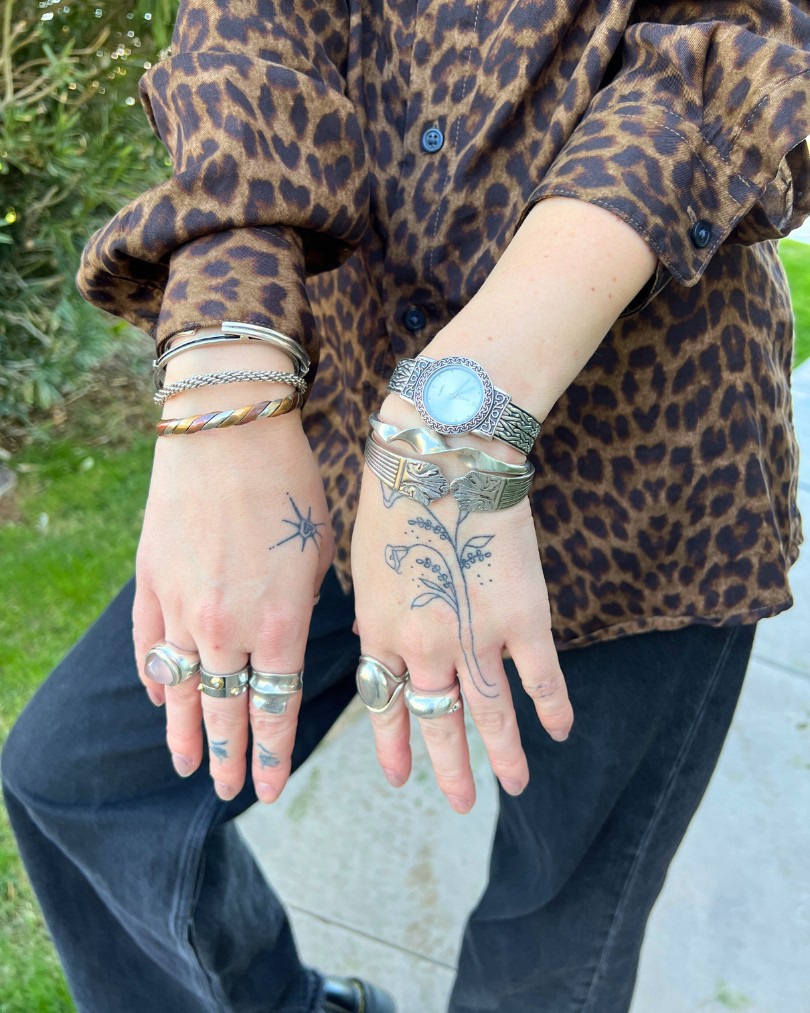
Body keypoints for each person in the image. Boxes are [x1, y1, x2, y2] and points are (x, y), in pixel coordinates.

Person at [3, 1, 809, 1011]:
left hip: (652, 486)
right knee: (79, 779)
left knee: (549, 946)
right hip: (335, 460)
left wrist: (456, 417)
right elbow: (243, 36)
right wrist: (226, 367)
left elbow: (742, 54)